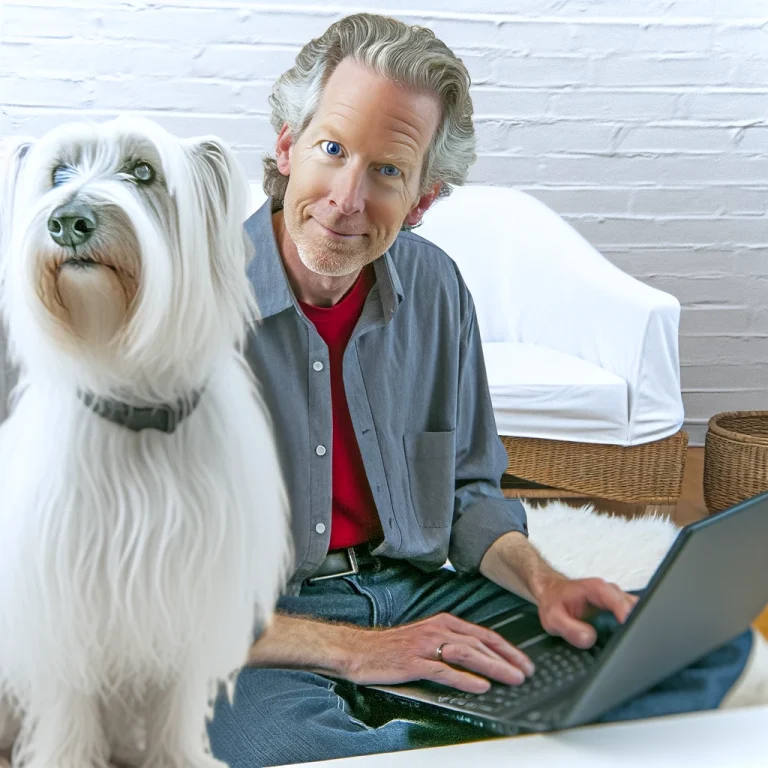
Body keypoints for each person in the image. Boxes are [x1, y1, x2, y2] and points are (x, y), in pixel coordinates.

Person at [206, 13, 752, 767]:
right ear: (287, 145)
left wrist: (545, 580)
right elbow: (148, 593)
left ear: (424, 198)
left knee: (700, 651)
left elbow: (468, 492)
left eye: (389, 172)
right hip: (260, 628)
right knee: (288, 748)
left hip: (418, 590)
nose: (347, 198)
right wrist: (361, 652)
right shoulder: (189, 301)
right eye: (331, 150)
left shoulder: (435, 290)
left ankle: (457, 733)